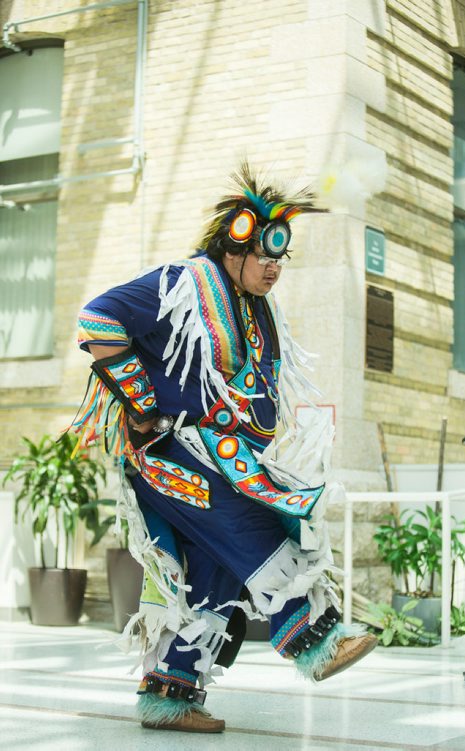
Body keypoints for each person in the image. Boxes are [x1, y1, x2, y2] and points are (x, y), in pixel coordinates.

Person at [71, 163, 377, 734]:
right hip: (171, 456)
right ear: (233, 244)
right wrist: (141, 405)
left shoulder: (256, 308)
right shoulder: (181, 281)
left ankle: (172, 696)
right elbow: (97, 318)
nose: (273, 268)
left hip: (222, 458)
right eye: (263, 255)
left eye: (279, 258)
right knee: (252, 525)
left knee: (209, 572)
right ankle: (317, 640)